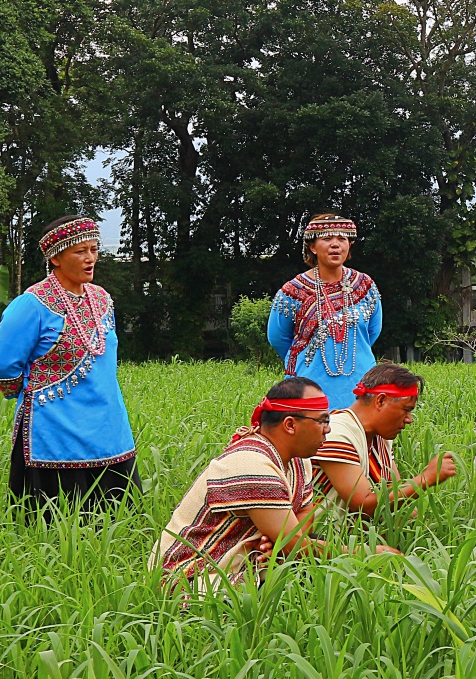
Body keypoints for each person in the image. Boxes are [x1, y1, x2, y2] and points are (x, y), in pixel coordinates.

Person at [152, 378, 396, 591]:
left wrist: (283, 540)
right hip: (190, 575)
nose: (328, 429)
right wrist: (368, 553)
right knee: (299, 587)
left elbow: (306, 509)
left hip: (246, 561)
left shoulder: (299, 458)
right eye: (321, 421)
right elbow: (297, 546)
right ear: (290, 425)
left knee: (315, 570)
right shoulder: (251, 465)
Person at [0, 215, 139, 510]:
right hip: (55, 431)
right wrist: (32, 391)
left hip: (109, 428)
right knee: (56, 526)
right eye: (80, 251)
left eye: (94, 250)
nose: (89, 258)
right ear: (55, 257)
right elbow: (2, 367)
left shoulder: (103, 299)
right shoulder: (32, 304)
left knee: (117, 523)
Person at [268, 213, 383, 410]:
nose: (335, 245)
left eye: (342, 239)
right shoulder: (293, 291)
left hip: (360, 383)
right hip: (310, 386)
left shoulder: (365, 285)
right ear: (312, 247)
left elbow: (372, 331)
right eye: (327, 238)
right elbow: (278, 338)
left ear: (350, 245)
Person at [312, 363, 458, 518]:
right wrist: (426, 478)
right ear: (381, 401)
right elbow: (363, 504)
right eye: (406, 410)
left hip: (362, 538)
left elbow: (395, 492)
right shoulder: (336, 431)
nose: (409, 419)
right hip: (325, 539)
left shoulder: (381, 437)